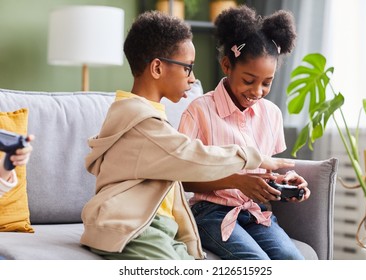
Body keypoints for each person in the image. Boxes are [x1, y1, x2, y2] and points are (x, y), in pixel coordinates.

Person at [80, 10, 295, 260]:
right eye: (188, 68)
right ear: (157, 68)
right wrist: (251, 157)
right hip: (130, 225)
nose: (193, 79)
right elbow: (190, 156)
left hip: (156, 223)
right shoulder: (142, 124)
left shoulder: (147, 117)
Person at [178, 6, 311, 260]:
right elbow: (180, 178)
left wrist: (286, 182)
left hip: (256, 212)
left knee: (294, 261)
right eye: (249, 80)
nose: (257, 91)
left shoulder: (271, 114)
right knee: (256, 263)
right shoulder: (199, 111)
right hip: (210, 212)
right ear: (227, 65)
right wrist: (237, 181)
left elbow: (268, 170)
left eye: (266, 82)